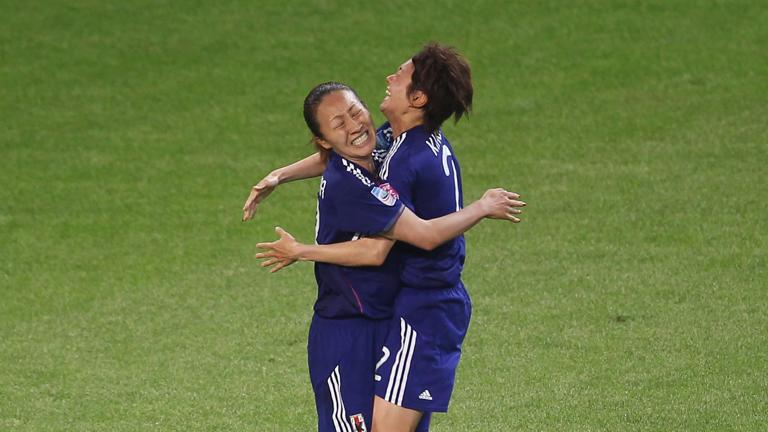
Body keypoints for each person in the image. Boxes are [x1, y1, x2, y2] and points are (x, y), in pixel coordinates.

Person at [249, 43, 526, 431]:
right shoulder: (403, 137)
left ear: (417, 98)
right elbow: (340, 153)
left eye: (400, 74)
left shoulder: (403, 160)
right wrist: (279, 174)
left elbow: (397, 245)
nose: (389, 78)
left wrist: (481, 207)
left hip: (425, 310)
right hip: (413, 307)